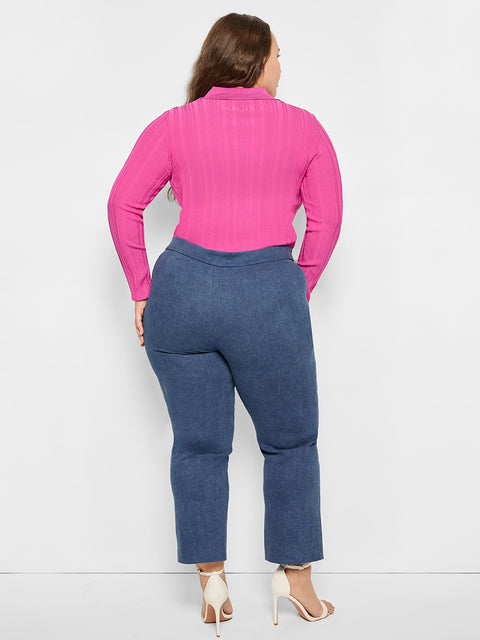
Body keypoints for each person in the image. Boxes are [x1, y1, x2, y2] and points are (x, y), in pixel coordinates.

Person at [107, 12, 342, 636]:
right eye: (278, 55)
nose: (282, 66)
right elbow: (326, 221)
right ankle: (296, 581)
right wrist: (295, 286)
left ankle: (212, 583)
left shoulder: (175, 123)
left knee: (198, 445)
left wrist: (142, 289)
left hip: (182, 293)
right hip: (267, 296)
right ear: (256, 60)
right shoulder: (304, 127)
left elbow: (123, 203)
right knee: (291, 443)